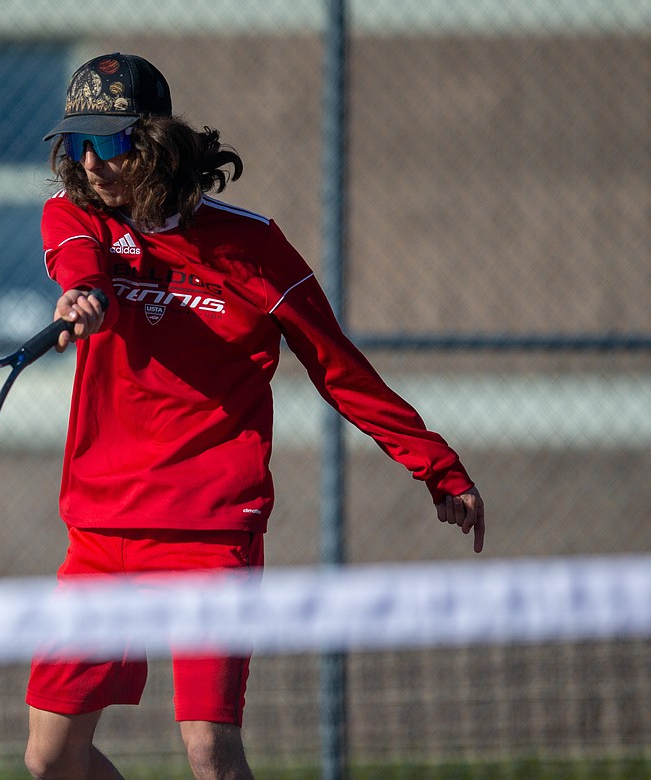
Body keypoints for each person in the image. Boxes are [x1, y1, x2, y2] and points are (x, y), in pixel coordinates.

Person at [26, 53, 486, 780]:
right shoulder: (78, 219)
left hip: (210, 532)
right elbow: (75, 257)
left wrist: (437, 465)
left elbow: (341, 369)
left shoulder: (255, 248)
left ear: (154, 142)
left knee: (211, 751)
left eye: (111, 142)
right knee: (51, 759)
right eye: (78, 144)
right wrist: (83, 292)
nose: (91, 163)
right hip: (100, 531)